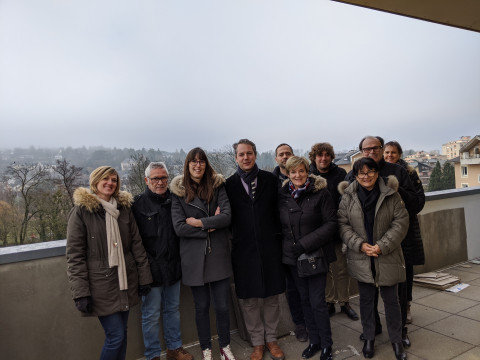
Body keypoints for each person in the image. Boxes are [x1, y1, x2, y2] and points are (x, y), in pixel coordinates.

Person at [66, 166, 153, 360]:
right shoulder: (81, 212)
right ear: (95, 181)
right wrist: (81, 293)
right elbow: (75, 256)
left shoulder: (123, 209)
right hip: (101, 286)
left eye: (114, 180)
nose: (110, 183)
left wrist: (144, 277)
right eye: (105, 179)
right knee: (116, 336)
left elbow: (136, 245)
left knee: (122, 334)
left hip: (126, 281)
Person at [346, 136, 417, 346]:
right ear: (360, 151)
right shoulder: (352, 176)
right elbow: (345, 216)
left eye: (375, 148)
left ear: (381, 148)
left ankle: (400, 332)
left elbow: (414, 204)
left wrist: (394, 190)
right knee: (368, 296)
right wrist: (360, 244)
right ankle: (373, 329)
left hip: (395, 246)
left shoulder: (398, 172)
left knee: (396, 296)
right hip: (364, 249)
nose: (371, 152)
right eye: (366, 149)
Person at [338, 158, 409, 360]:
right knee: (367, 301)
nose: (366, 176)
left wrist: (382, 245)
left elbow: (401, 222)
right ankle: (369, 338)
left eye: (370, 171)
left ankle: (396, 341)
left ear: (377, 173)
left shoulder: (391, 194)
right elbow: (342, 224)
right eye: (361, 173)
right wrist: (359, 244)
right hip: (361, 256)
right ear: (355, 175)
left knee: (391, 302)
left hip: (386, 254)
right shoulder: (348, 196)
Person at [170, 147, 236, 360]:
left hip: (218, 254)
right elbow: (179, 227)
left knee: (223, 307)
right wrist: (210, 225)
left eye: (202, 161)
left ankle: (225, 347)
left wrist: (199, 222)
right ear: (187, 165)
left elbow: (226, 217)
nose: (198, 165)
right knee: (201, 308)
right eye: (193, 161)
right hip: (193, 259)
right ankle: (206, 349)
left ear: (206, 164)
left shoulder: (218, 187)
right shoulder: (178, 192)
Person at [225, 139, 286, 360]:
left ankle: (271, 338)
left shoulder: (270, 180)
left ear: (256, 155)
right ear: (236, 158)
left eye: (249, 153)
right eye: (241, 154)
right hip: (243, 250)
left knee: (272, 296)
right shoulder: (228, 185)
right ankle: (257, 342)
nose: (246, 158)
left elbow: (280, 210)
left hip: (271, 247)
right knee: (249, 299)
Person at [132, 162, 193, 360]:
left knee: (172, 310)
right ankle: (152, 355)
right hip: (151, 270)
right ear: (146, 180)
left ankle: (174, 349)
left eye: (163, 178)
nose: (160, 182)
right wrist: (145, 268)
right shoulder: (137, 204)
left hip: (173, 267)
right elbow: (134, 241)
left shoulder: (175, 200)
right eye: (156, 178)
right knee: (150, 316)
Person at [279, 156, 337, 360]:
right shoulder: (283, 195)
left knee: (317, 301)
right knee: (304, 300)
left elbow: (331, 224)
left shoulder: (321, 193)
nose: (297, 175)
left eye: (301, 171)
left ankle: (327, 344)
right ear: (287, 173)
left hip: (315, 256)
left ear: (307, 172)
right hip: (292, 259)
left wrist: (304, 244)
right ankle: (315, 341)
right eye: (293, 172)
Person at [309, 142, 359, 321]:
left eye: (326, 155)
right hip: (317, 232)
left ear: (331, 157)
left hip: (337, 230)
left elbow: (347, 201)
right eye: (319, 155)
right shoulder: (308, 175)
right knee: (325, 270)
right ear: (314, 158)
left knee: (340, 269)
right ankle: (329, 301)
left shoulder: (340, 174)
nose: (323, 158)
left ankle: (345, 302)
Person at [384, 141, 426, 325]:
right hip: (385, 231)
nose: (390, 155)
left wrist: (398, 189)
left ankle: (406, 305)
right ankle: (392, 309)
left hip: (406, 230)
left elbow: (418, 201)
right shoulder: (378, 172)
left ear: (399, 154)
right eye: (387, 152)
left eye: (393, 152)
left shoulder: (409, 173)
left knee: (406, 269)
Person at [273, 143, 308, 343]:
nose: (285, 157)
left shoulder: (306, 180)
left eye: (288, 153)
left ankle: (312, 322)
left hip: (305, 242)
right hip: (282, 244)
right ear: (276, 158)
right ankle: (300, 324)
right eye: (281, 154)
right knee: (292, 289)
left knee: (307, 288)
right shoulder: (270, 181)